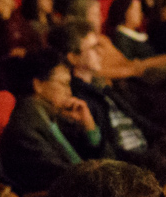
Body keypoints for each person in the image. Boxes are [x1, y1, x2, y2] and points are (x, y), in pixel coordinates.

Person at [0, 48, 111, 195]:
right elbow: (67, 176)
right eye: (63, 84)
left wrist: (88, 126)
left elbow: (98, 156)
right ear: (38, 85)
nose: (69, 92)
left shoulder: (56, 117)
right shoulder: (24, 130)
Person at [53, 19, 158, 158]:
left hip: (146, 152)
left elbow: (139, 122)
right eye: (93, 48)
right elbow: (107, 152)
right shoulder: (79, 100)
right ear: (73, 58)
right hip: (134, 163)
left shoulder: (101, 88)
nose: (100, 52)